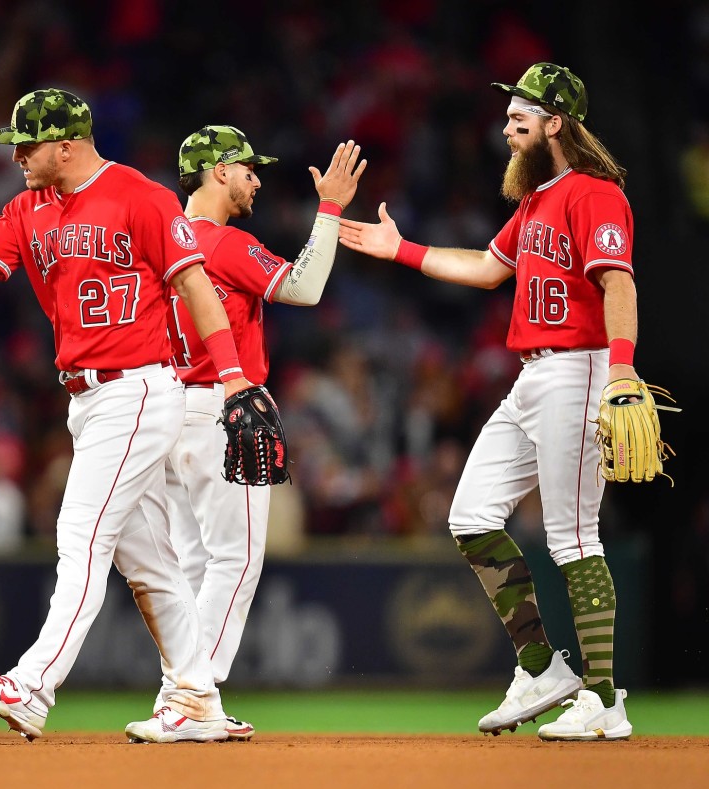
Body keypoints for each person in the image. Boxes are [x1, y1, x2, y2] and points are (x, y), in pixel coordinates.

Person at [0, 88, 254, 743]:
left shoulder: (144, 197)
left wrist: (235, 378)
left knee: (80, 537)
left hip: (137, 388)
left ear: (67, 145)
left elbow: (195, 286)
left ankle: (33, 684)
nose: (16, 154)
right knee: (153, 565)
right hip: (88, 400)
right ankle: (197, 700)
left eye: (27, 144)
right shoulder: (28, 208)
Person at [339, 63, 639, 741]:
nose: (506, 128)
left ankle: (603, 699)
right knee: (470, 515)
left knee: (573, 537)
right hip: (534, 375)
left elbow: (618, 283)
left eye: (520, 116)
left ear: (555, 123)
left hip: (580, 368)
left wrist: (621, 371)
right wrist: (402, 251)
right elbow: (483, 268)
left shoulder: (593, 194)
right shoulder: (536, 200)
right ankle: (541, 668)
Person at [160, 127, 366, 740]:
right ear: (218, 171)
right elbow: (303, 287)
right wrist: (329, 209)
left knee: (192, 567)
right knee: (236, 558)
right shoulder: (222, 243)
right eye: (248, 169)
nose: (256, 180)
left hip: (166, 412)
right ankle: (194, 697)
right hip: (226, 404)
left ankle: (177, 701)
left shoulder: (155, 242)